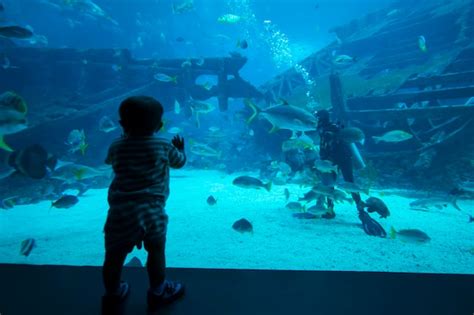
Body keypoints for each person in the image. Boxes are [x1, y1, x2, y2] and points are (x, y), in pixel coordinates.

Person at [102, 96, 186, 312]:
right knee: (156, 250)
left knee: (114, 255)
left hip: (120, 210)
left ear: (122, 124)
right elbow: (179, 163)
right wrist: (181, 150)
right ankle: (158, 291)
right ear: (159, 125)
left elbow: (110, 160)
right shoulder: (163, 144)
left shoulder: (116, 145)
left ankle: (113, 292)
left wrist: (126, 139)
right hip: (152, 209)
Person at [315, 109, 386, 237]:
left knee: (330, 186)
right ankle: (361, 211)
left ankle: (331, 211)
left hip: (332, 159)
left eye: (317, 118)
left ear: (321, 118)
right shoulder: (334, 126)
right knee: (350, 184)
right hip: (345, 157)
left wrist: (324, 160)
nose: (316, 120)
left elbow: (326, 145)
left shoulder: (326, 129)